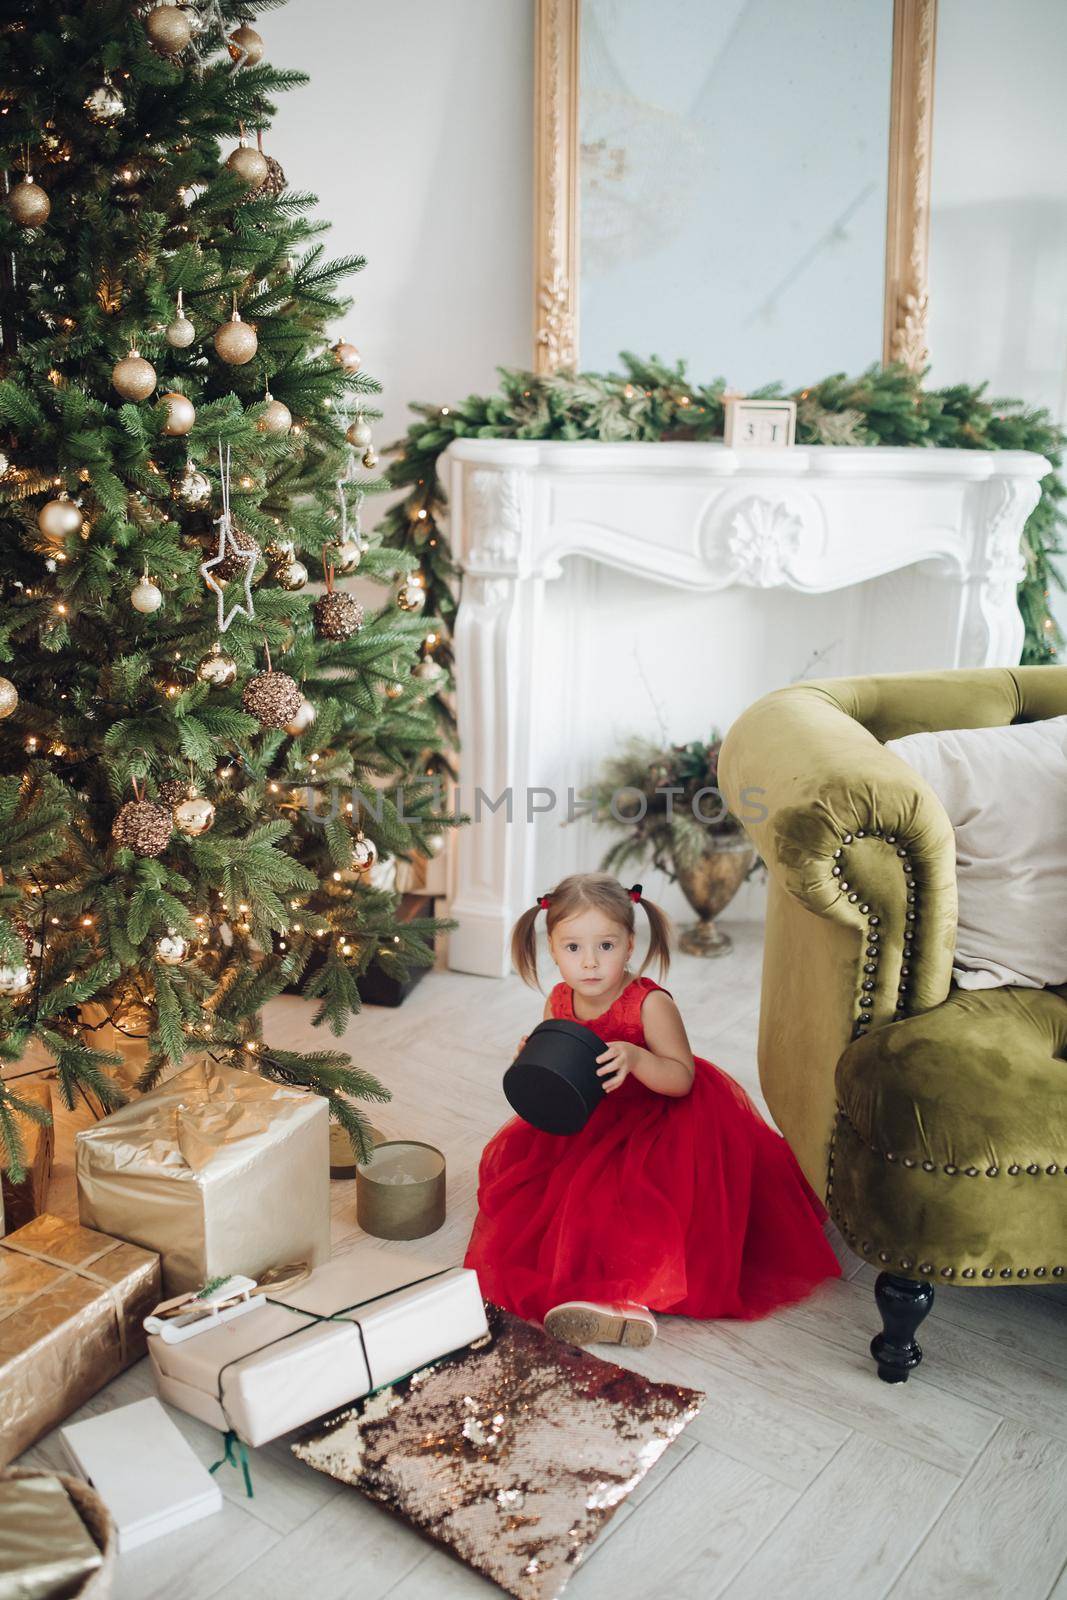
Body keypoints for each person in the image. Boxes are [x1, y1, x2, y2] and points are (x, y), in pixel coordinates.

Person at [463, 872, 842, 1348]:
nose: (591, 962)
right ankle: (599, 1295)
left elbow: (681, 1079)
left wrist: (638, 1058)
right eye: (573, 948)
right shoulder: (559, 999)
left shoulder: (648, 1003)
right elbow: (565, 1067)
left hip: (661, 1120)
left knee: (639, 1206)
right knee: (567, 1207)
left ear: (630, 944)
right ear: (553, 950)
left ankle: (630, 1299)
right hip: (594, 1118)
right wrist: (536, 1054)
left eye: (606, 945)